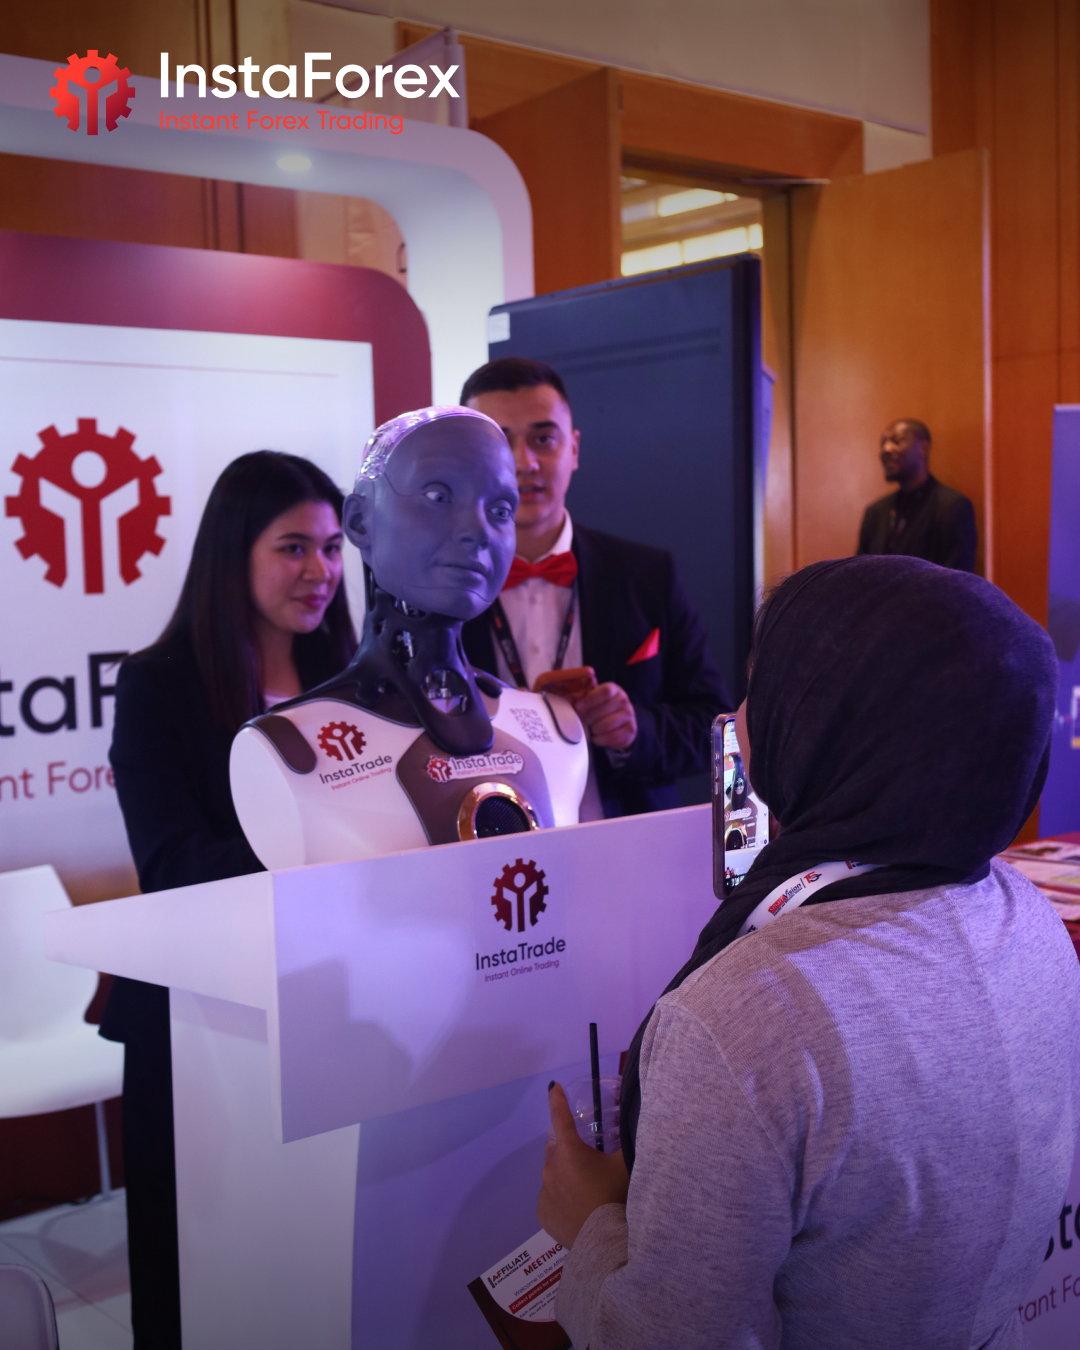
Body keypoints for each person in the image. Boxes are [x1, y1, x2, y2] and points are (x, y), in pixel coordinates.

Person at [537, 554, 1080, 1349]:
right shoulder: (1024, 914)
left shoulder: (744, 1020)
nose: (740, 714)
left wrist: (588, 1224)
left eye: (765, 688)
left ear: (829, 728)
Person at [100, 451, 356, 1348]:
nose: (321, 571)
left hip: (333, 1008)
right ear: (231, 555)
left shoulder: (355, 683)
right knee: (198, 1280)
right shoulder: (158, 685)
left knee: (318, 1275)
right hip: (199, 1025)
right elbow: (171, 860)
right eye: (293, 548)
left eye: (333, 547)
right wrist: (321, 864)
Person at [228, 406, 588, 869]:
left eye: (500, 510)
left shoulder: (557, 729)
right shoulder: (294, 748)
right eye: (439, 496)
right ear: (360, 521)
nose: (478, 531)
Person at [459, 357, 730, 818]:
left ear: (574, 449)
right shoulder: (436, 588)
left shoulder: (648, 574)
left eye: (543, 439)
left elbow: (715, 725)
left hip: (626, 837)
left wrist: (636, 730)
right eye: (500, 442)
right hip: (485, 833)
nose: (524, 463)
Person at [857, 418, 977, 570]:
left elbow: (958, 578)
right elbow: (858, 573)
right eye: (883, 442)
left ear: (924, 448)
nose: (886, 449)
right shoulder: (875, 512)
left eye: (897, 441)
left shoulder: (952, 507)